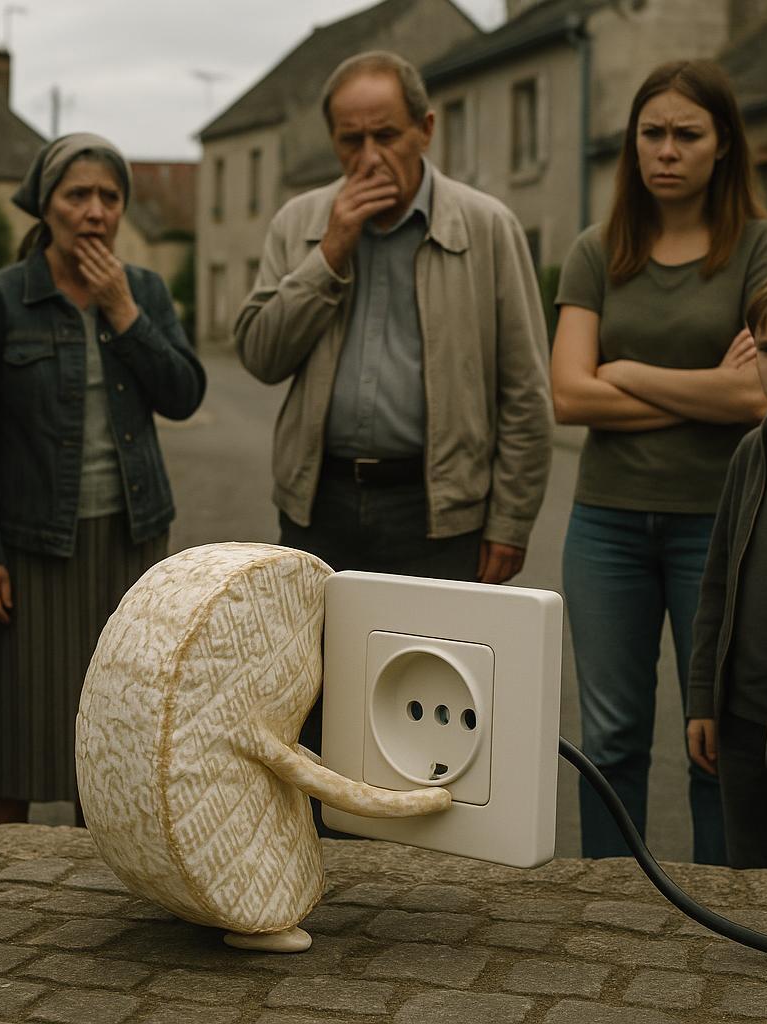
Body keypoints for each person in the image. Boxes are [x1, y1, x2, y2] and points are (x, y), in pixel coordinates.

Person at [235, 50, 552, 831]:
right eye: (351, 141)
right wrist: (330, 252)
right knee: (309, 702)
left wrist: (509, 521)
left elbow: (525, 393)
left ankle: (418, 894)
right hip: (322, 503)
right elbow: (259, 353)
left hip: (436, 511)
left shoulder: (485, 227)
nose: (369, 157)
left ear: (426, 129)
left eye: (386, 134)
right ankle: (306, 859)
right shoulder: (300, 225)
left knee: (432, 710)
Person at [552, 59, 767, 862]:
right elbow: (567, 397)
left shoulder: (766, 245)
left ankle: (718, 904)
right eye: (651, 133)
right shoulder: (599, 249)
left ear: (723, 144)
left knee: (718, 736)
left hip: (722, 528)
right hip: (606, 527)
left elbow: (760, 396)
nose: (666, 150)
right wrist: (704, 389)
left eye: (686, 134)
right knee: (613, 734)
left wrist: (622, 373)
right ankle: (610, 898)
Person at [0, 134, 206, 827]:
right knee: (18, 721)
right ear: (46, 205)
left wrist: (125, 314)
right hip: (31, 541)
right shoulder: (1, 299)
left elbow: (183, 394)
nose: (95, 212)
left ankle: (99, 868)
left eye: (109, 197)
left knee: (114, 721)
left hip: (128, 538)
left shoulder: (145, 290)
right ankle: (6, 876)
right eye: (77, 196)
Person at [687, 255, 767, 869]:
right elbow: (716, 587)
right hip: (742, 727)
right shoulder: (753, 453)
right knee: (753, 888)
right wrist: (703, 699)